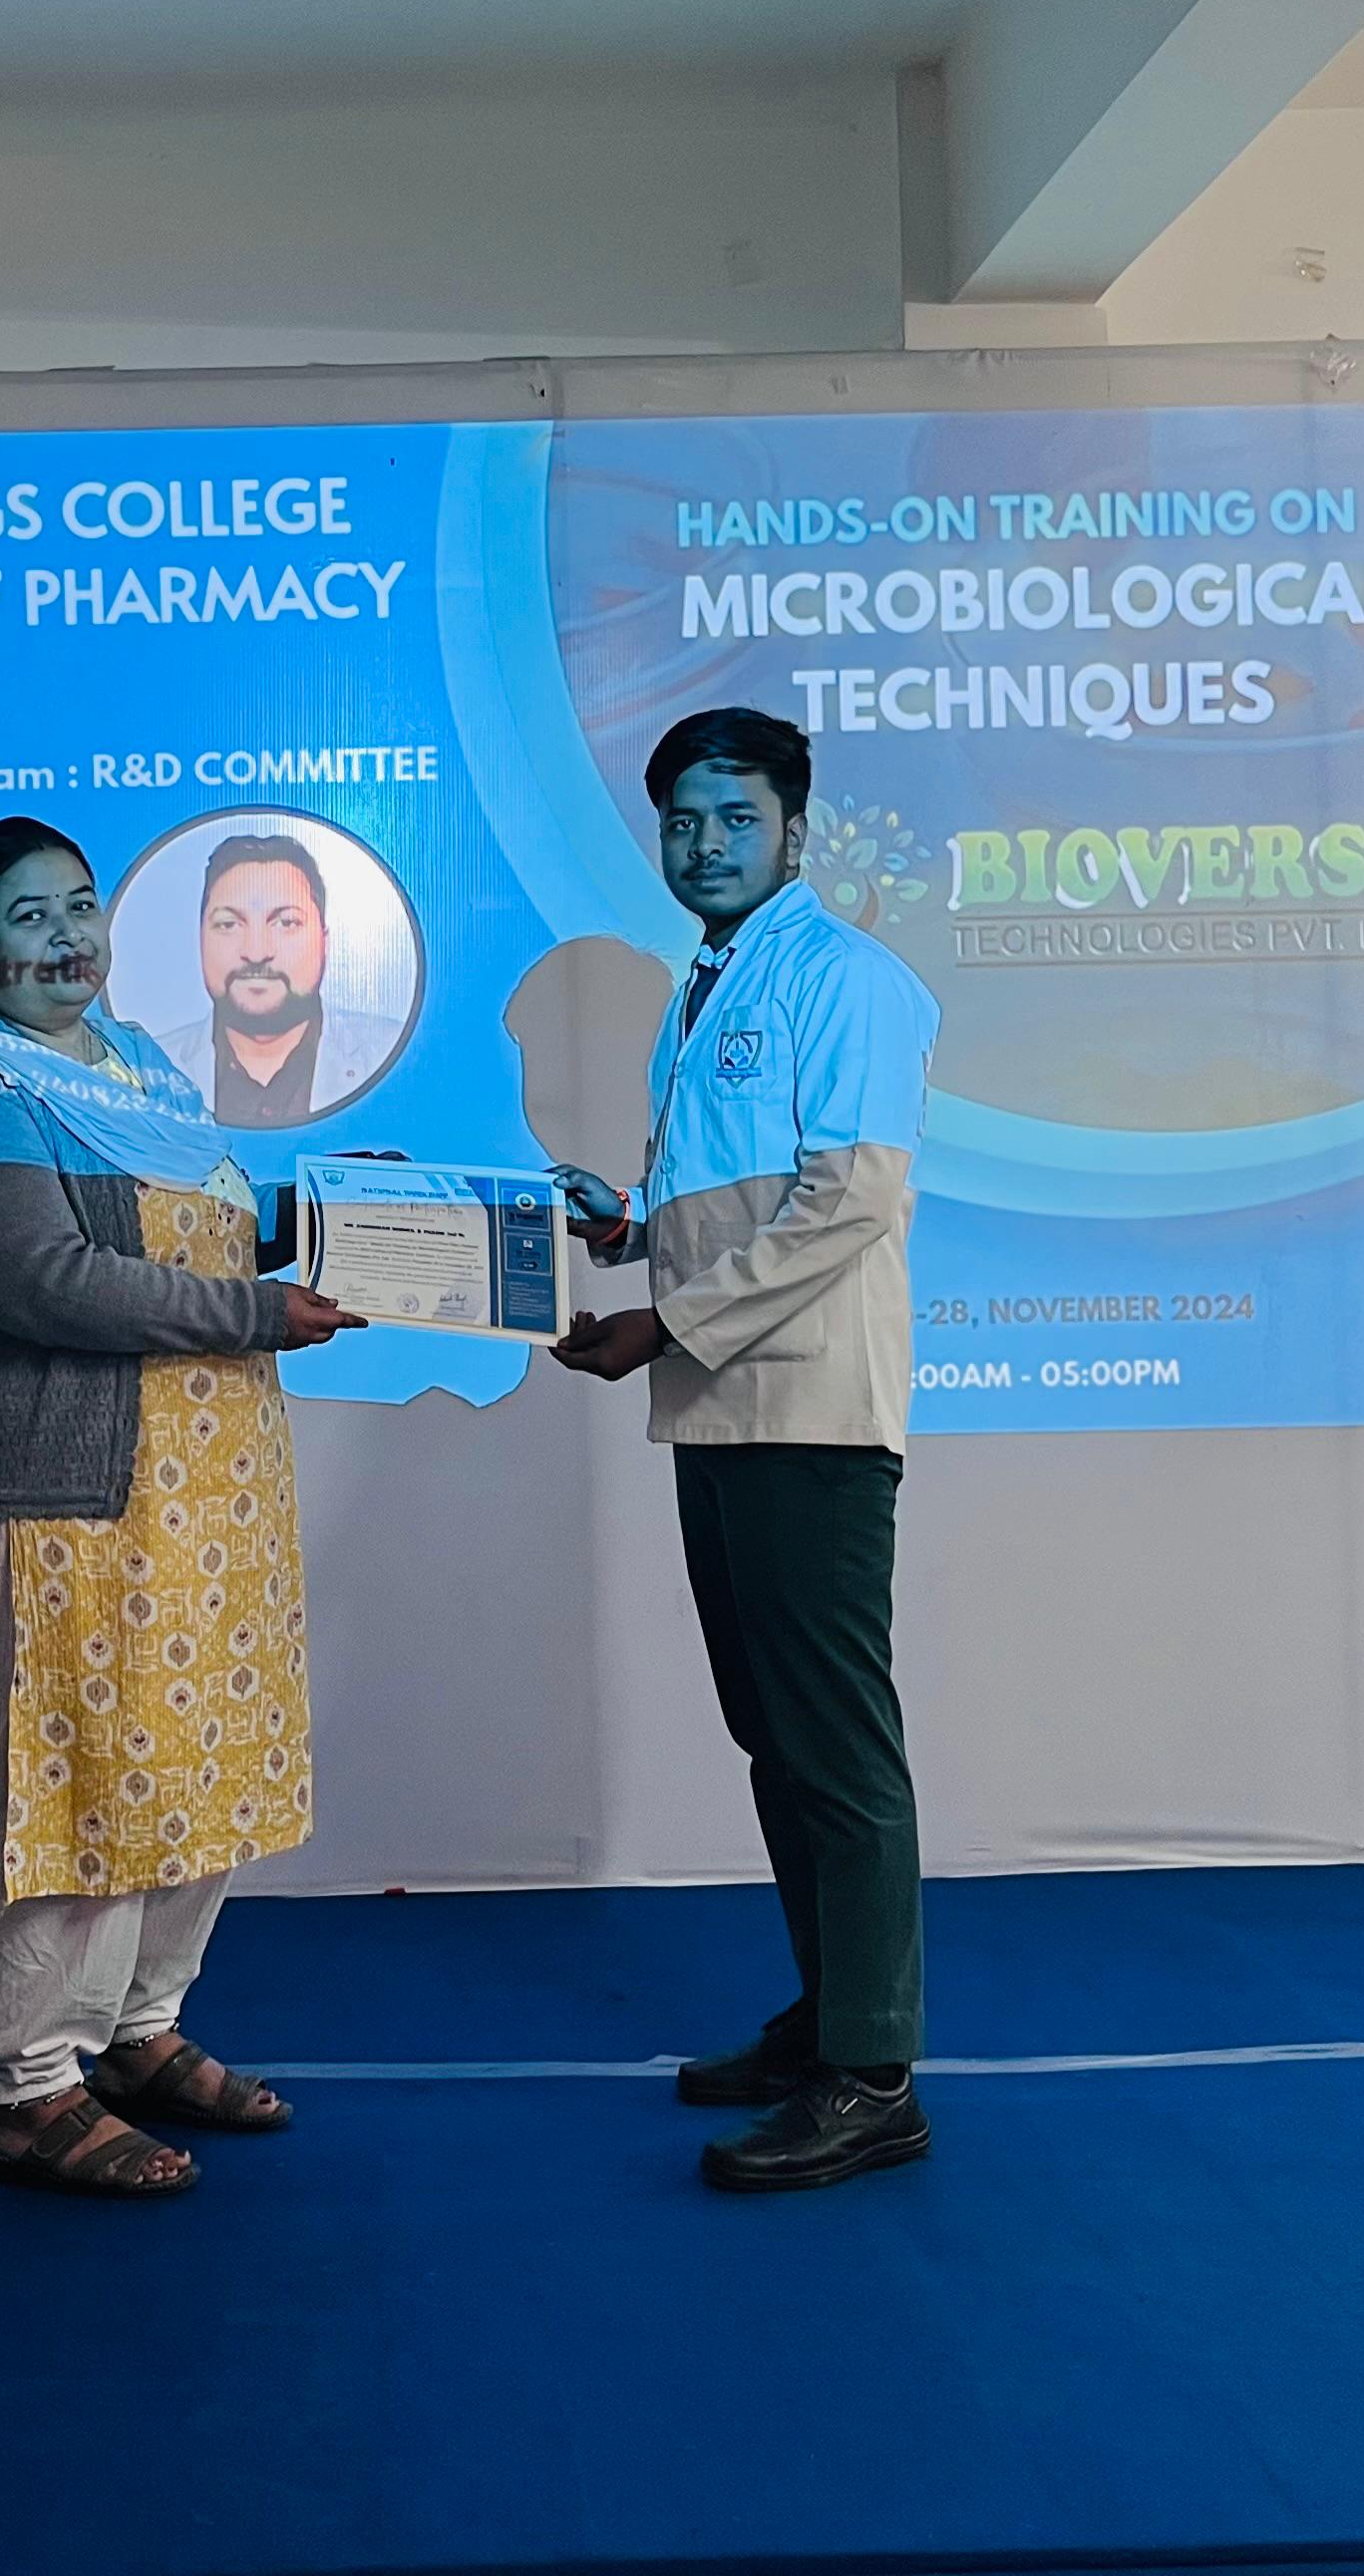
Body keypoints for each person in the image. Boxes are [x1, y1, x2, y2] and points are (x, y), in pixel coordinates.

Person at [0, 814, 365, 2196]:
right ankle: (32, 2088)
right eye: (30, 917)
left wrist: (350, 1218)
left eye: (80, 906)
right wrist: (254, 1311)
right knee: (58, 1792)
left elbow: (203, 1229)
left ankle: (138, 2032)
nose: (68, 936)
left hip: (198, 1506)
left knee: (187, 1773)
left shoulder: (137, 1069)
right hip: (58, 1503)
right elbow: (45, 1282)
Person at [546, 708, 943, 2194]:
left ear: (795, 830)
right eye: (682, 822)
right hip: (726, 1406)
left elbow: (847, 1203)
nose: (704, 845)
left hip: (811, 1414)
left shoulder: (851, 980)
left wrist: (663, 1317)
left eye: (735, 819)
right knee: (774, 1734)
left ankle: (873, 2075)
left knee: (834, 1745)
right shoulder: (708, 983)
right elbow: (744, 1192)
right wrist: (632, 1233)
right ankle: (827, 2016)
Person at [137, 828, 407, 1127]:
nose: (256, 952)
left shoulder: (393, 1055)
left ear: (325, 942)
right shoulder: (145, 1068)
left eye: (286, 922)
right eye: (228, 924)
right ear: (200, 938)